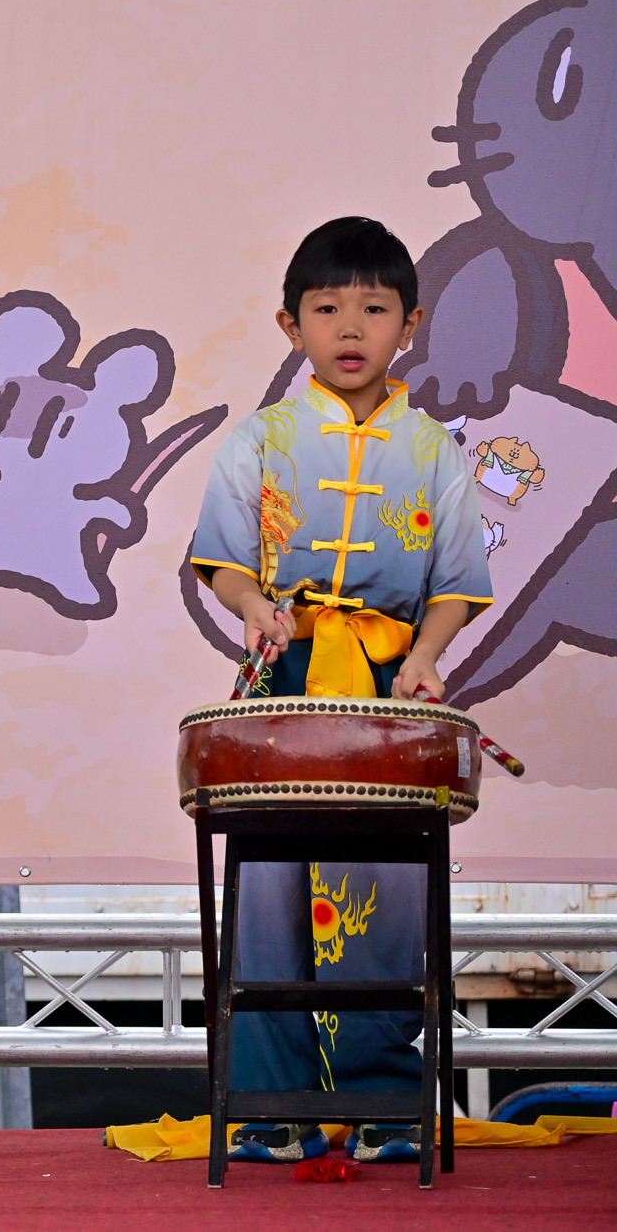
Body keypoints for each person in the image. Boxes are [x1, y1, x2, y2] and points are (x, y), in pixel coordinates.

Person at [189, 217, 491, 1164]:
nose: (350, 328)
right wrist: (254, 606)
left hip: (387, 688)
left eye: (374, 308)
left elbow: (455, 580)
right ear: (292, 325)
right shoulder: (260, 439)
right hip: (286, 679)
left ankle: (386, 1103)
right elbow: (225, 561)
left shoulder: (434, 449)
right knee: (267, 891)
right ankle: (270, 1105)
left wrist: (427, 655)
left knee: (389, 895)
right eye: (327, 309)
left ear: (411, 323)